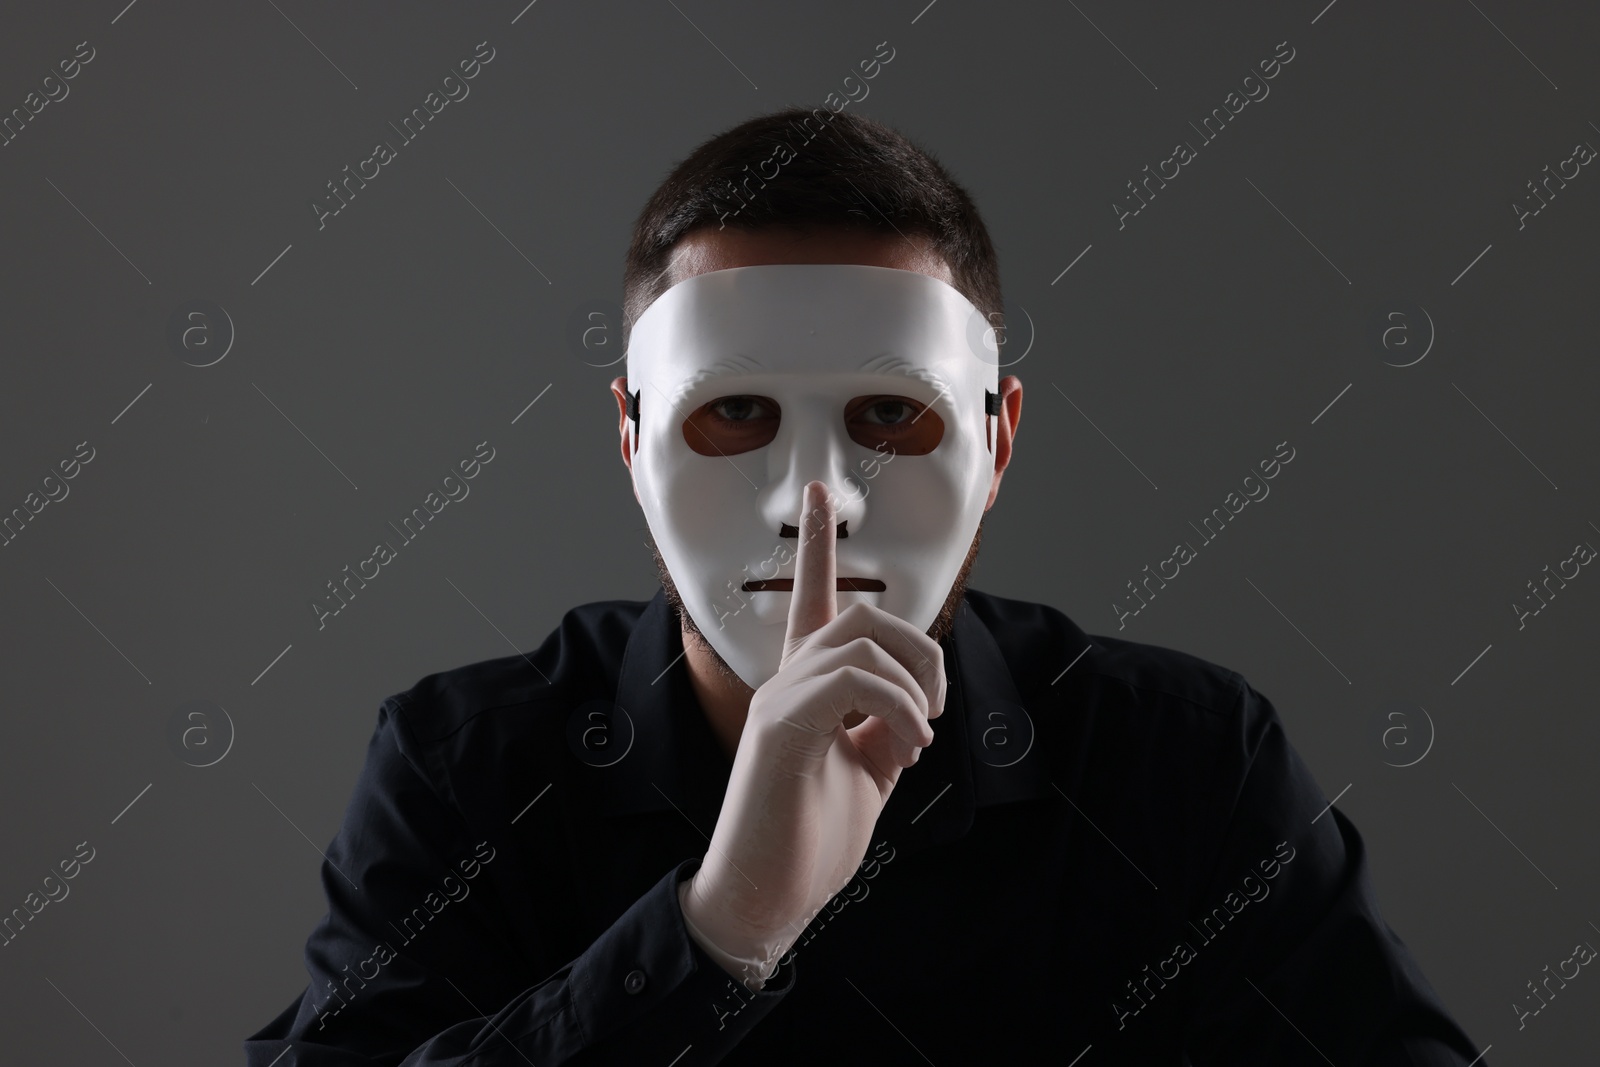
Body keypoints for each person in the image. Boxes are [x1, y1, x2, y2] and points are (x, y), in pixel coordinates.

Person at [244, 107, 1486, 1065]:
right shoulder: (468, 766)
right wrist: (714, 929)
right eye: (735, 411)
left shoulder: (1184, 768)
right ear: (632, 444)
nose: (816, 499)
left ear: (994, 444)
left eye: (891, 413)